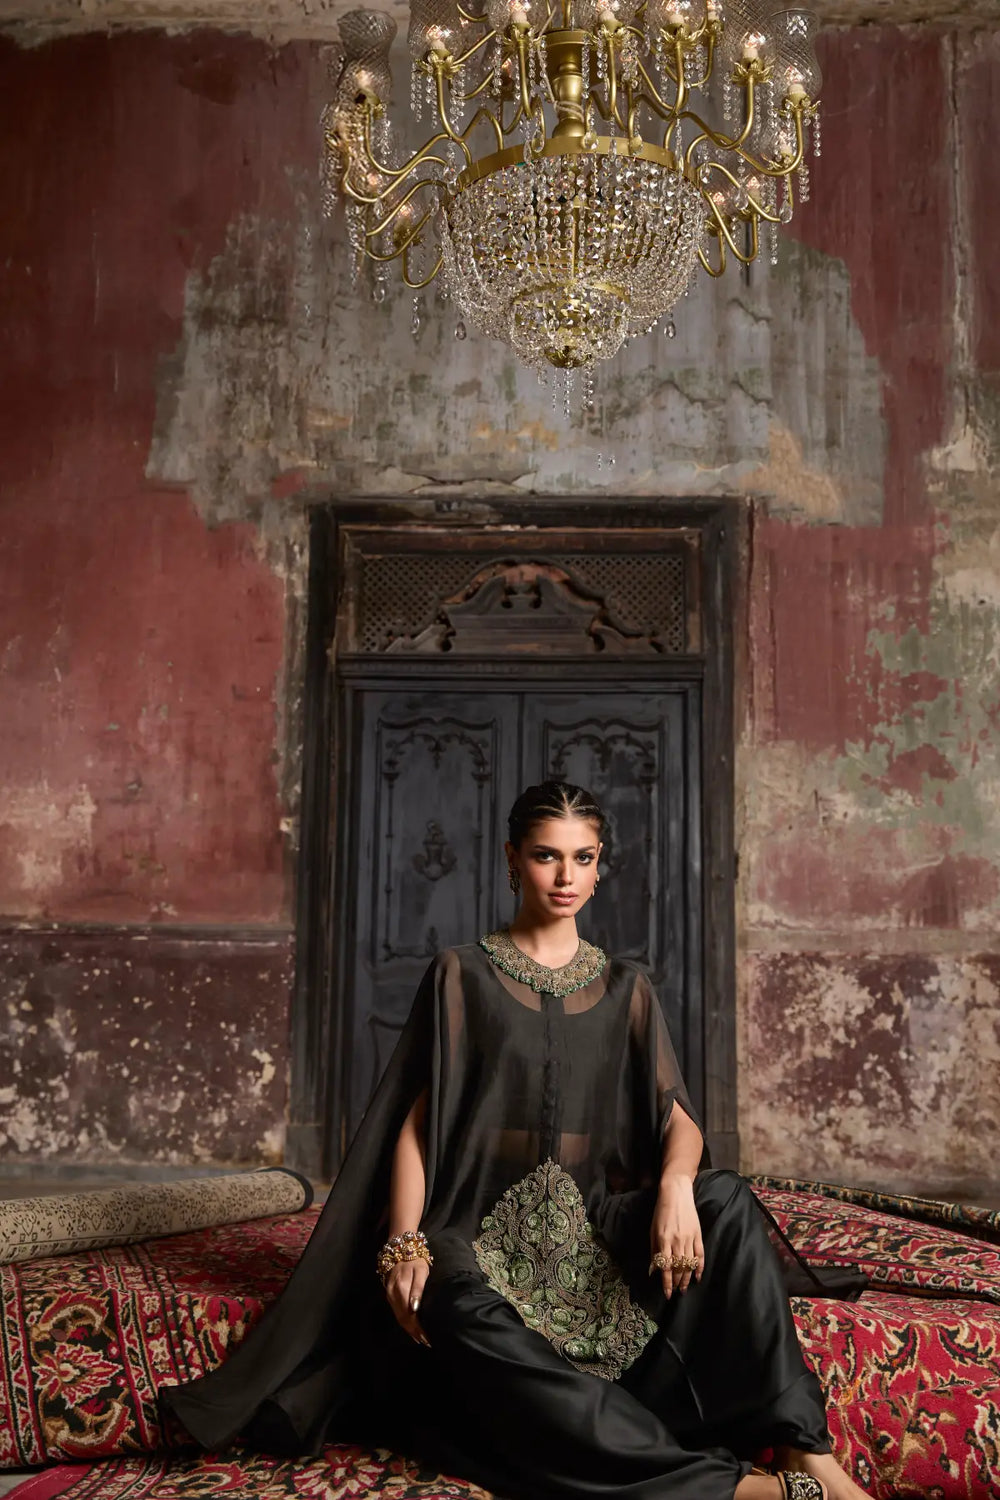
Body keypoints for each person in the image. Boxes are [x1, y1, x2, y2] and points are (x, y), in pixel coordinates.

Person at [161, 781, 871, 1500]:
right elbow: (416, 1123)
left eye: (582, 857)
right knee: (459, 1310)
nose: (565, 877)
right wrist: (405, 1241)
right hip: (471, 1229)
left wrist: (678, 1187)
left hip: (594, 1225)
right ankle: (741, 1493)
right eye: (545, 856)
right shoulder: (461, 974)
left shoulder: (628, 987)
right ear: (512, 860)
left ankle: (807, 1451)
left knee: (726, 1198)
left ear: (600, 868)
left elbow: (676, 1116)